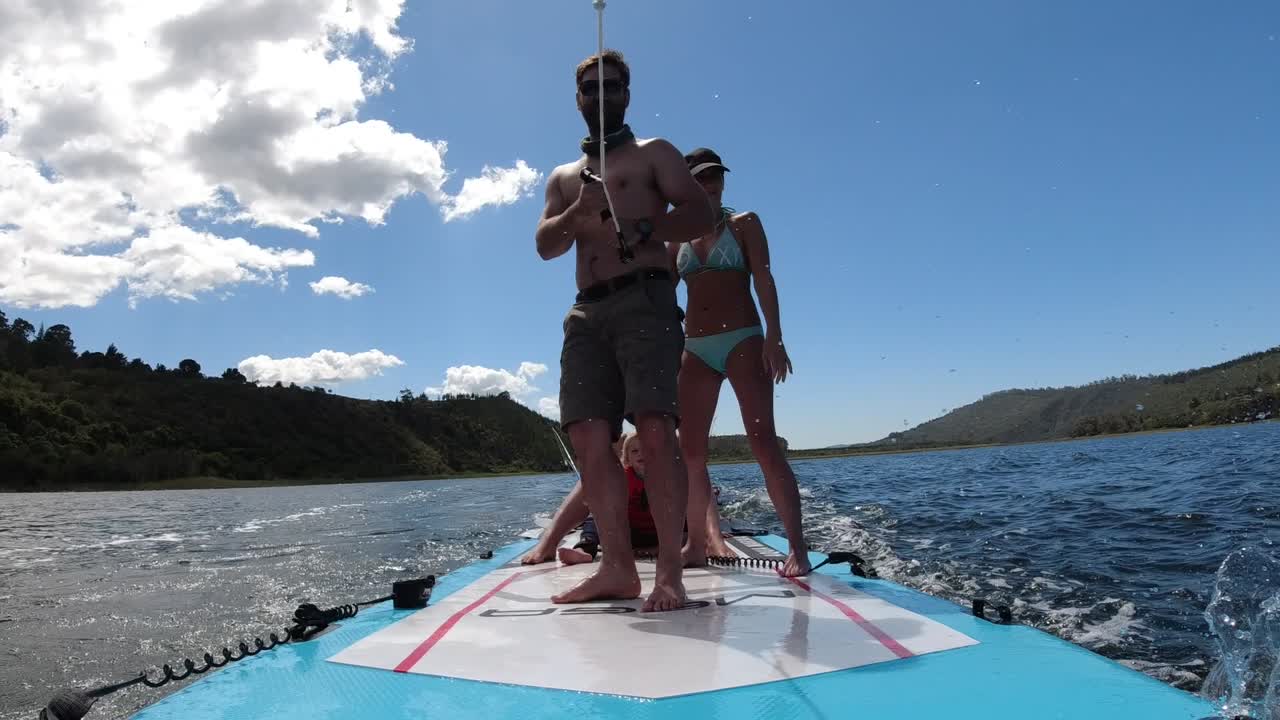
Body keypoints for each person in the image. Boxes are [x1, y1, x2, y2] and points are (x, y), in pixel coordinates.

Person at [534, 49, 716, 611]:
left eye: (612, 86)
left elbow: (700, 216)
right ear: (578, 98)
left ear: (628, 94)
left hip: (646, 296)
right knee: (589, 436)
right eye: (591, 88)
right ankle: (615, 567)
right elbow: (546, 245)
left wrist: (644, 224)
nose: (602, 96)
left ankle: (668, 571)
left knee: (656, 430)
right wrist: (577, 213)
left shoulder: (654, 154)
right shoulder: (565, 178)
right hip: (586, 309)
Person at [668, 147, 811, 577]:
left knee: (763, 443)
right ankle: (695, 544)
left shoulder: (744, 223)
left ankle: (798, 549)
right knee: (689, 453)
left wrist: (775, 337)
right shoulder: (674, 239)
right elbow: (658, 292)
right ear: (687, 184)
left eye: (716, 176)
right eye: (701, 178)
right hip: (693, 348)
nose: (711, 184)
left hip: (743, 340)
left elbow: (764, 278)